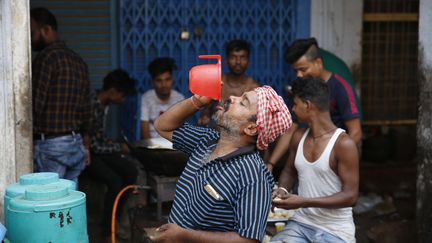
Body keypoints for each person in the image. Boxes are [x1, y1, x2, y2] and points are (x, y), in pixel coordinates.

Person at [151, 86, 292, 242]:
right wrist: (196, 101)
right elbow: (162, 125)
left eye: (243, 103)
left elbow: (248, 240)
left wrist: (185, 235)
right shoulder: (206, 140)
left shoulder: (253, 174)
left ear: (251, 128)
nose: (232, 97)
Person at [270, 77, 359, 243]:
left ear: (308, 105)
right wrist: (282, 189)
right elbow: (289, 171)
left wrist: (303, 201)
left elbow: (351, 196)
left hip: (336, 231)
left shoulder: (343, 144)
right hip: (302, 224)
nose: (293, 109)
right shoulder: (298, 137)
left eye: (295, 104)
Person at [266, 38, 362, 172]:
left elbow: (356, 131)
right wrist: (270, 164)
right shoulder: (301, 89)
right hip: (307, 153)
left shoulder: (340, 88)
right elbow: (290, 130)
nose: (299, 75)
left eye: (303, 69)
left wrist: (334, 157)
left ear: (318, 63)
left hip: (332, 157)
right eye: (296, 71)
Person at [31, 7, 91, 182]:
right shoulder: (79, 61)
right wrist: (85, 141)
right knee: (69, 202)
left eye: (33, 33)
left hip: (51, 146)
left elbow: (35, 105)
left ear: (47, 30)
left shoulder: (45, 58)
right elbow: (86, 111)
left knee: (51, 200)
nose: (30, 39)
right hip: (75, 143)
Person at [84, 69, 138, 238]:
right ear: (113, 92)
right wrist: (120, 148)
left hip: (98, 153)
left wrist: (117, 146)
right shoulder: (93, 105)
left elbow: (101, 138)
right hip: (88, 156)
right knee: (115, 181)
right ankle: (107, 229)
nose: (123, 100)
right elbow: (95, 146)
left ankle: (116, 218)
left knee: (131, 170)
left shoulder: (103, 105)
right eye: (122, 95)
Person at [198, 39, 259, 126]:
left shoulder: (253, 88)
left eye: (242, 57)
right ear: (226, 60)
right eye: (233, 57)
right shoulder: (217, 83)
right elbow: (205, 111)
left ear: (248, 61)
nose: (238, 62)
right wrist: (205, 116)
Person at [140, 57, 184, 139]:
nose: (164, 84)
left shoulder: (179, 98)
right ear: (152, 82)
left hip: (174, 145)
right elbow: (144, 130)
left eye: (167, 79)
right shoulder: (146, 98)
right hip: (152, 144)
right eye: (159, 80)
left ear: (173, 79)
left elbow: (182, 129)